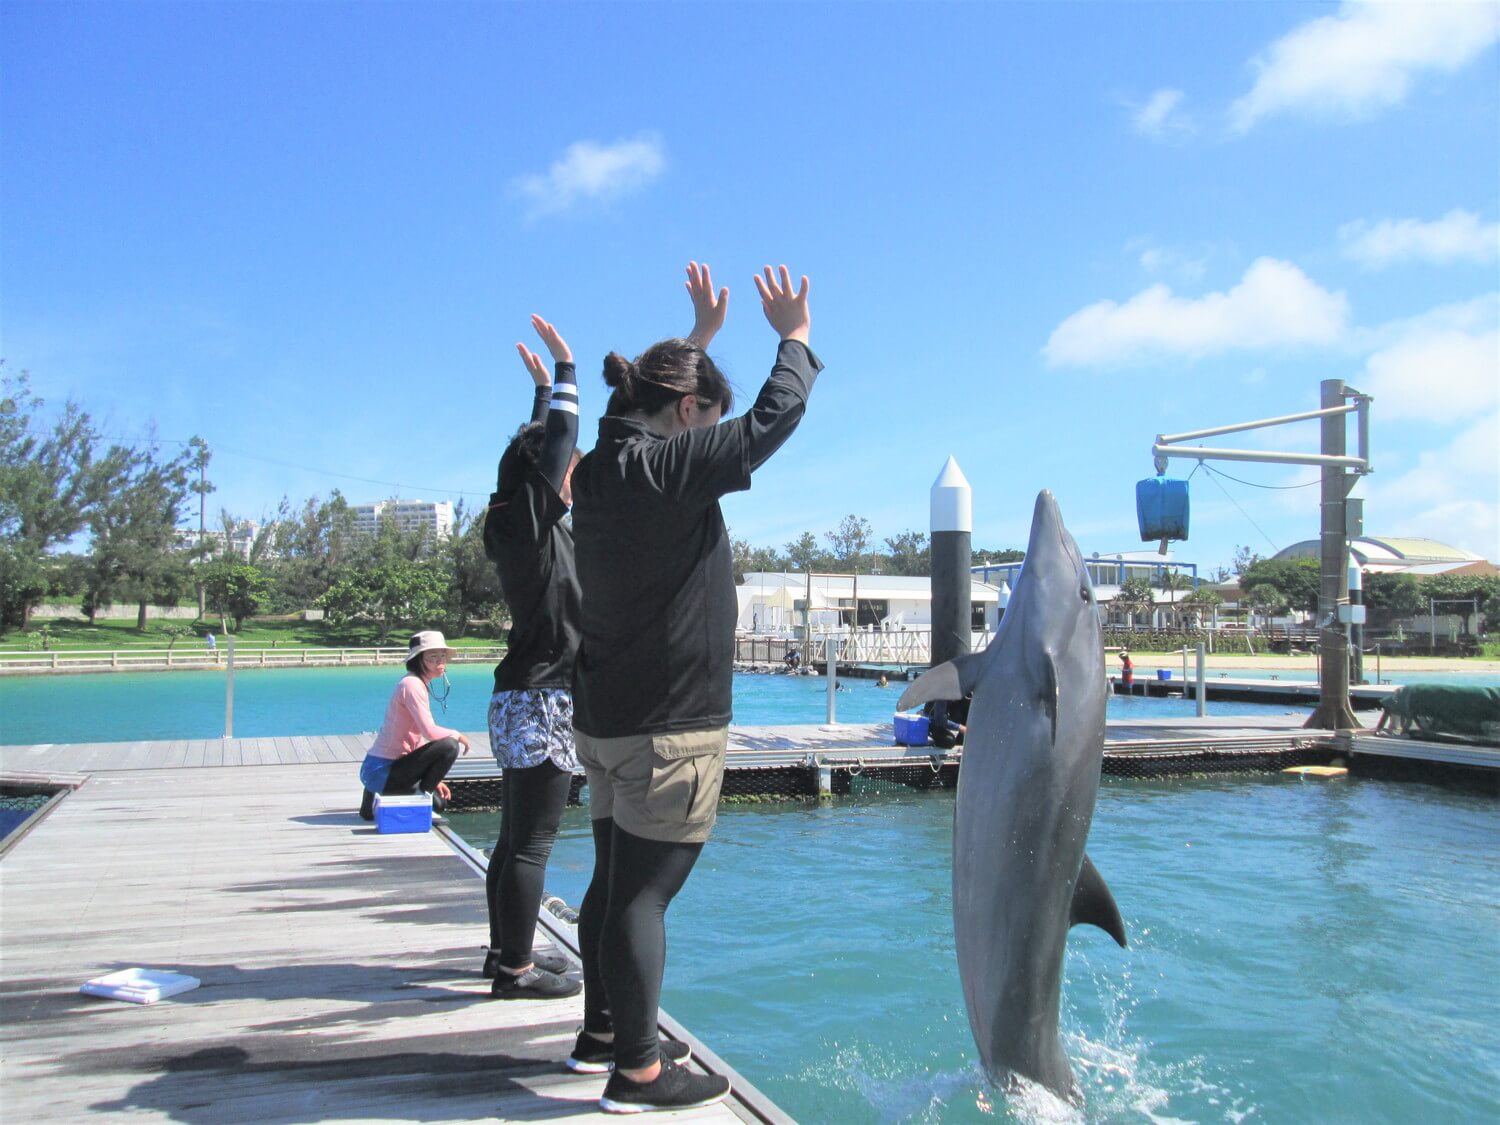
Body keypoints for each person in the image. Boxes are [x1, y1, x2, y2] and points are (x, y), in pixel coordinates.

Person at [569, 262, 820, 1114]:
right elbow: (771, 419)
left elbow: (627, 402)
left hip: (605, 719)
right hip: (667, 726)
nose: (706, 436)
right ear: (685, 414)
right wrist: (795, 337)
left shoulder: (601, 465)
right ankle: (637, 1072)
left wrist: (699, 343)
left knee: (611, 880)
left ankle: (604, 1030)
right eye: (700, 416)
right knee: (645, 894)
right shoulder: (668, 469)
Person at [479, 315, 584, 1001]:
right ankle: (515, 968)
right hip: (543, 699)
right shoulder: (529, 524)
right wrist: (567, 374)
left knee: (513, 837)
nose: (572, 473)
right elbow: (550, 450)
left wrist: (541, 396)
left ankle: (504, 953)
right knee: (531, 843)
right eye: (566, 468)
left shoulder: (522, 524)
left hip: (526, 695)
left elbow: (531, 453)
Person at [358, 631, 469, 820]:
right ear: (418, 660)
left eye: (442, 656)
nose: (440, 662)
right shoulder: (411, 685)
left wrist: (435, 779)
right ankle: (417, 801)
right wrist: (458, 735)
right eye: (433, 657)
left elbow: (415, 737)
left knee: (439, 803)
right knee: (450, 745)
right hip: (382, 768)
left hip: (385, 770)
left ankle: (372, 803)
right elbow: (430, 731)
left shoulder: (416, 682)